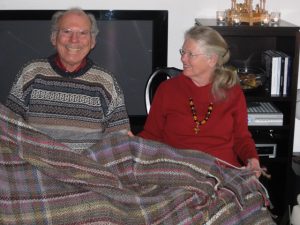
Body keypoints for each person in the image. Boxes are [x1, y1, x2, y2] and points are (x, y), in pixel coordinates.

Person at [139, 25, 262, 177]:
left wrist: (253, 160)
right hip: (177, 173)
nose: (183, 58)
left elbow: (241, 138)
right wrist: (132, 144)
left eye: (191, 54)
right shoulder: (167, 89)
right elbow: (152, 135)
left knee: (251, 197)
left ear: (212, 59)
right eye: (183, 52)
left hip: (221, 173)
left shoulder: (232, 91)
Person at [5, 8, 130, 151]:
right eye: (67, 31)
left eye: (82, 33)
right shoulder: (30, 74)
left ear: (92, 42)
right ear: (54, 37)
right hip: (38, 168)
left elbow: (119, 141)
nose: (74, 40)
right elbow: (9, 130)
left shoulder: (106, 82)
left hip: (87, 170)